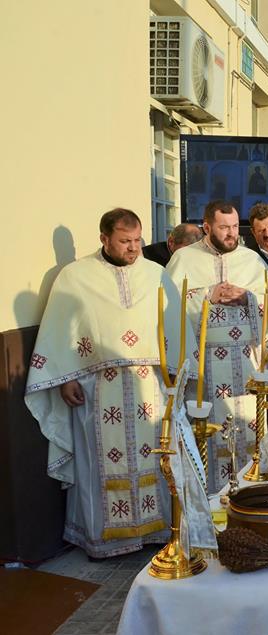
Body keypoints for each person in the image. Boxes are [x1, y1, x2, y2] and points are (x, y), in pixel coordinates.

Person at [25, 209, 193, 558]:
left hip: (149, 387)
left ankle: (156, 530)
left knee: (155, 456)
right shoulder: (75, 277)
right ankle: (105, 540)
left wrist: (177, 374)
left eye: (137, 240)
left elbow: (175, 327)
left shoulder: (156, 274)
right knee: (97, 461)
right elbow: (62, 331)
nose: (134, 248)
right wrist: (66, 379)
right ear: (104, 239)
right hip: (97, 389)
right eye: (124, 241)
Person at [167, 200, 268, 492]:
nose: (232, 233)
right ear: (207, 227)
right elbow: (170, 306)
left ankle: (250, 494)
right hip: (204, 367)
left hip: (245, 363)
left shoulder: (251, 260)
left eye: (235, 227)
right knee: (207, 437)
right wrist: (207, 294)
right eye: (224, 227)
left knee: (248, 434)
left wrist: (247, 297)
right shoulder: (184, 259)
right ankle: (209, 499)